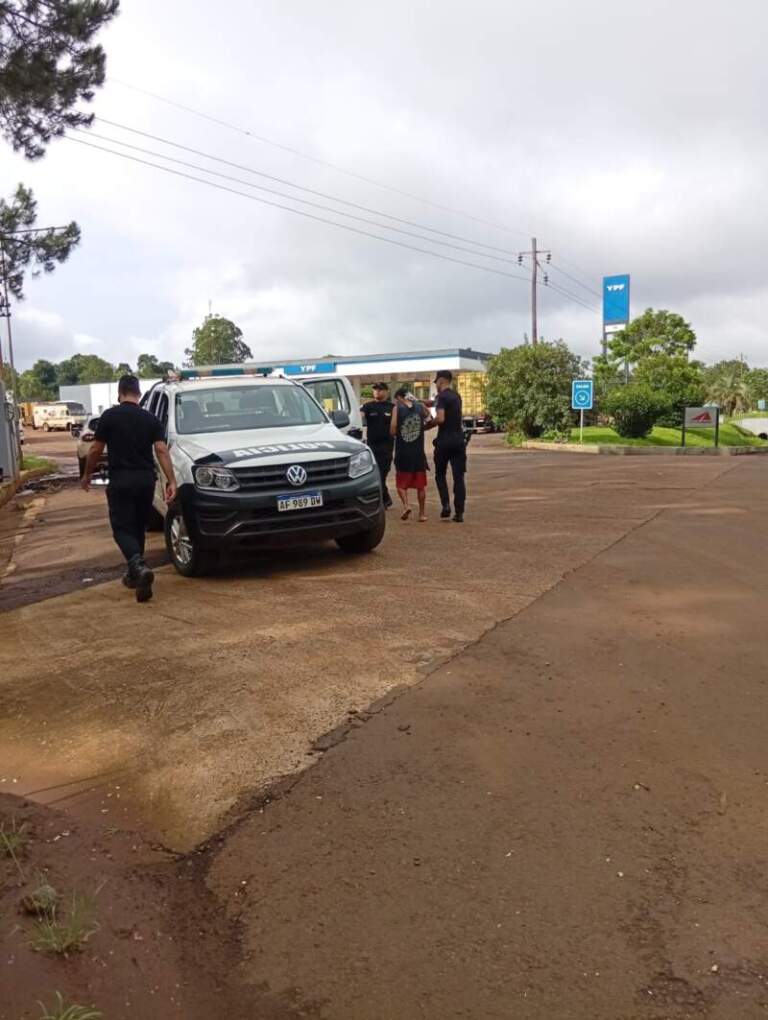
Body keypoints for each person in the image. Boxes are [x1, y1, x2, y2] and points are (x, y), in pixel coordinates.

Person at [81, 375, 177, 603]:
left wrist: (87, 474)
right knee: (136, 528)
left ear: (119, 393)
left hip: (121, 481)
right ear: (139, 394)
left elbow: (95, 449)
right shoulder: (149, 418)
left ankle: (138, 566)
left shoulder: (110, 416)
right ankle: (136, 576)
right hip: (145, 482)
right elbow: (162, 450)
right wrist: (171, 480)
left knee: (121, 529)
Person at [428, 369, 466, 522]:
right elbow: (444, 407)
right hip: (458, 441)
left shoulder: (441, 397)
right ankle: (459, 513)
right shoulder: (456, 396)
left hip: (444, 441)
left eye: (436, 382)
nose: (436, 384)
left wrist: (429, 424)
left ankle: (445, 505)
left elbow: (441, 418)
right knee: (459, 478)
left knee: (440, 474)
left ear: (441, 381)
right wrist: (426, 402)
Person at [390, 386, 429, 522]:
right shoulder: (419, 407)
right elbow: (430, 419)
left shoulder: (397, 408)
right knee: (420, 485)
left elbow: (393, 430)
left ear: (400, 397)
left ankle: (406, 506)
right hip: (418, 453)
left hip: (403, 453)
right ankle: (422, 514)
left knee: (401, 484)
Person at [360, 382, 394, 508]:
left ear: (386, 392)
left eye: (380, 390)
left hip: (387, 447)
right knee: (375, 474)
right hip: (372, 447)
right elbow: (360, 417)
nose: (377, 392)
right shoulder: (368, 406)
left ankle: (384, 499)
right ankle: (384, 500)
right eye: (375, 390)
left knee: (382, 474)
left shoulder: (392, 407)